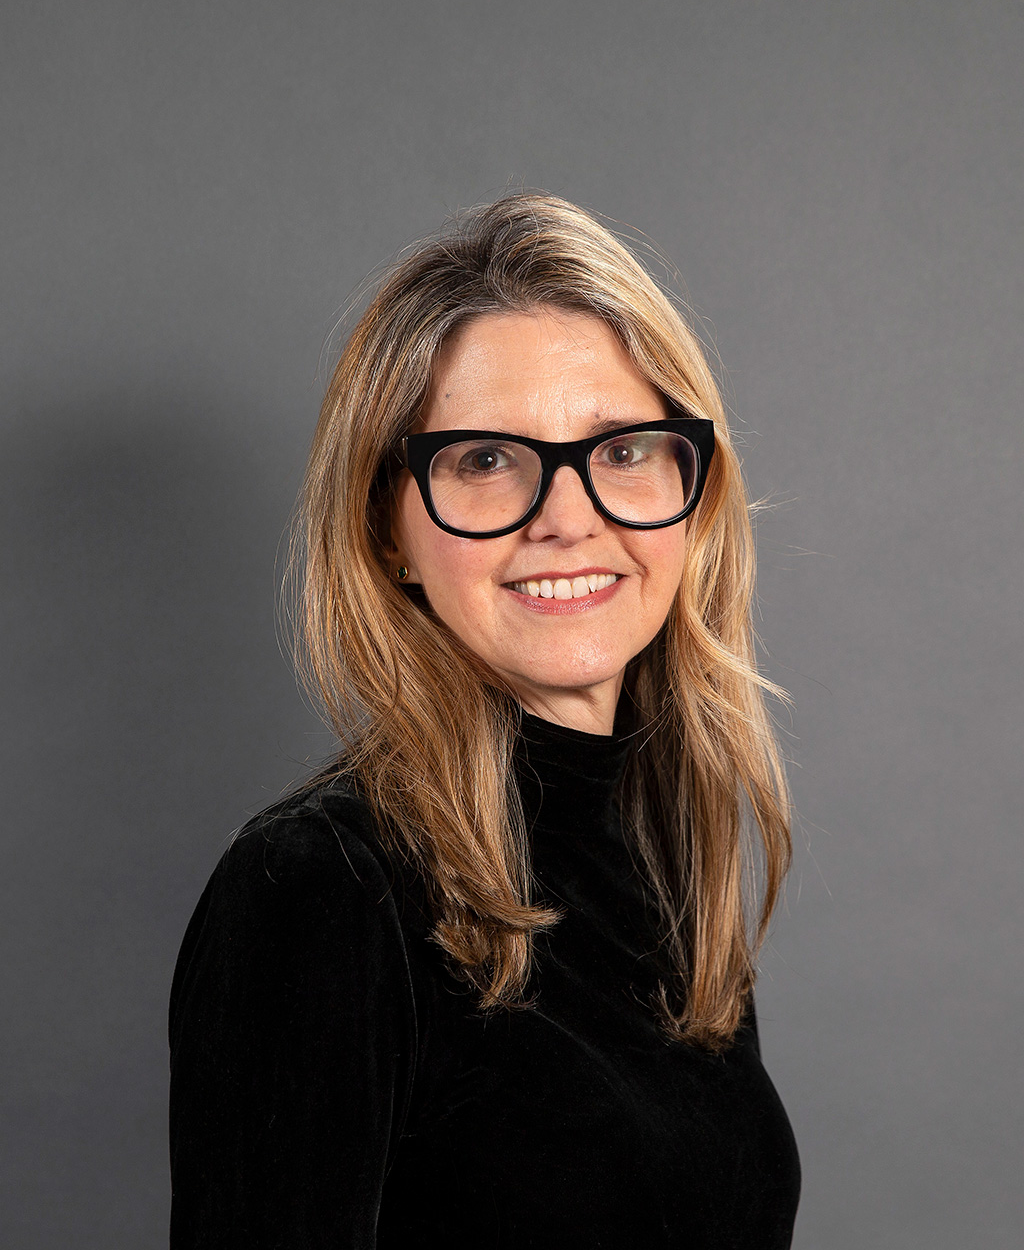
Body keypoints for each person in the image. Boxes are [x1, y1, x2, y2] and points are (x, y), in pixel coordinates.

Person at [168, 193, 801, 1247]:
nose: (568, 515)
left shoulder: (664, 868)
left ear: (691, 491)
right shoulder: (318, 888)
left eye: (622, 449)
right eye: (485, 459)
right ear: (387, 529)